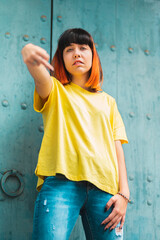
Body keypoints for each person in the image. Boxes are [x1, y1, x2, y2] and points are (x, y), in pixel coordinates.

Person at [21, 28, 130, 240]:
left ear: (93, 55)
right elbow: (39, 75)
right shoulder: (54, 90)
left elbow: (117, 147)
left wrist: (124, 195)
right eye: (69, 49)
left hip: (105, 191)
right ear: (61, 58)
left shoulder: (108, 101)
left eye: (83, 48)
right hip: (61, 184)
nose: (77, 53)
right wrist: (27, 51)